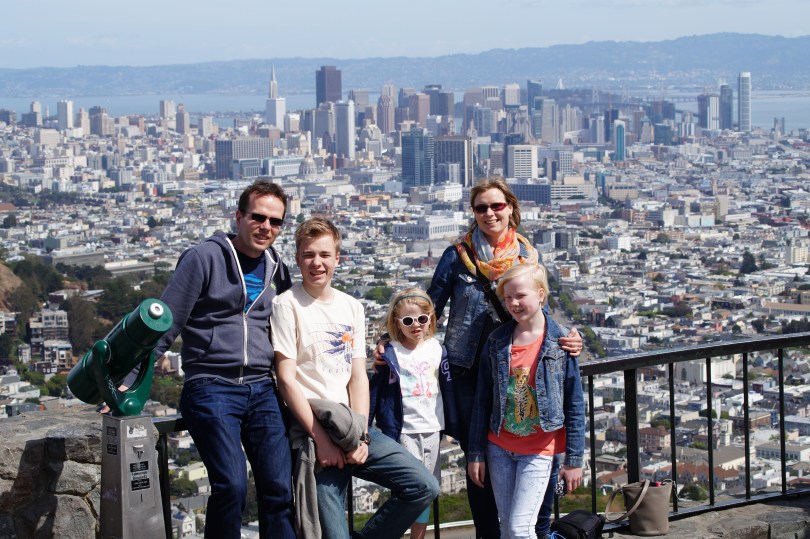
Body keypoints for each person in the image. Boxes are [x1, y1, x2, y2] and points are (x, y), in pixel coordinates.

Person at [123, 180, 296, 538]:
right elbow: (166, 322)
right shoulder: (203, 258)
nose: (266, 227)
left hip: (262, 387)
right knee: (231, 484)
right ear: (238, 216)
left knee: (279, 487)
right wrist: (131, 383)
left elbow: (297, 320)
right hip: (211, 384)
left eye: (276, 222)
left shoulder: (275, 266)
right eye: (258, 217)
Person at [426, 177, 583, 538]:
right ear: (473, 213)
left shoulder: (528, 255)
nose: (489, 213)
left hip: (519, 365)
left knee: (538, 452)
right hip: (469, 372)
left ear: (511, 208)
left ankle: (537, 532)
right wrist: (392, 342)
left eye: (497, 205)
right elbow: (429, 309)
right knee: (478, 462)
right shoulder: (457, 256)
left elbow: (541, 305)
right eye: (481, 207)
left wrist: (569, 336)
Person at [272, 218, 439, 539]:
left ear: (337, 258)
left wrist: (360, 436)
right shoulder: (286, 305)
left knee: (423, 486)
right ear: (297, 259)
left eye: (324, 255)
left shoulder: (351, 306)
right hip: (313, 431)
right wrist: (321, 440)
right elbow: (286, 379)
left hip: (353, 425)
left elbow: (357, 377)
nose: (316, 263)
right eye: (308, 255)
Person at [467, 263, 585, 539]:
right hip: (499, 447)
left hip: (539, 449)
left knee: (520, 529)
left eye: (520, 295)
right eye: (508, 298)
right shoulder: (497, 341)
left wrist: (575, 459)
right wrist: (475, 453)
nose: (513, 303)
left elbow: (575, 405)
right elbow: (482, 401)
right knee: (508, 528)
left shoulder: (561, 343)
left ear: (541, 294)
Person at [368, 288, 456, 539]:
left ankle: (418, 537)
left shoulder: (438, 349)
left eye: (422, 318)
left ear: (431, 319)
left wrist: (453, 424)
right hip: (403, 430)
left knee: (428, 491)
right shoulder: (391, 351)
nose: (415, 325)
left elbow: (448, 386)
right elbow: (377, 387)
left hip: (432, 428)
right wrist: (367, 424)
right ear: (397, 323)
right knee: (410, 489)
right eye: (407, 320)